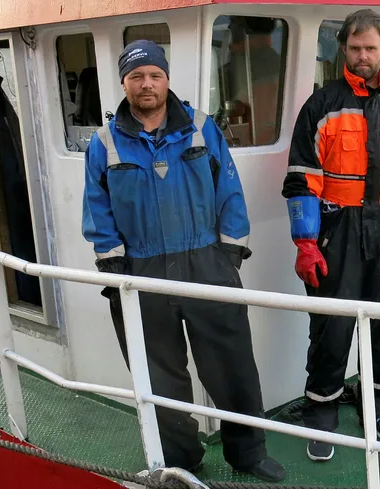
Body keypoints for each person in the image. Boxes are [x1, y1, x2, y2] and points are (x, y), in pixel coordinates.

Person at [82, 40, 284, 482]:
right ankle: (181, 458)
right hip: (141, 270)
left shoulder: (200, 127)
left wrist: (229, 253)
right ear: (124, 83)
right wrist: (113, 264)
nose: (146, 84)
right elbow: (97, 208)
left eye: (154, 75)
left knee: (231, 365)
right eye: (136, 77)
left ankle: (247, 454)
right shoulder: (103, 142)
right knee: (159, 375)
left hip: (205, 262)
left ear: (166, 79)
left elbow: (230, 190)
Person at [281, 9, 380, 462]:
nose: (362, 57)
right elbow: (301, 181)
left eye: (370, 48)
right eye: (354, 49)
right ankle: (322, 414)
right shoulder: (321, 106)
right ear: (343, 51)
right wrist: (306, 243)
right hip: (339, 230)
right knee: (331, 328)